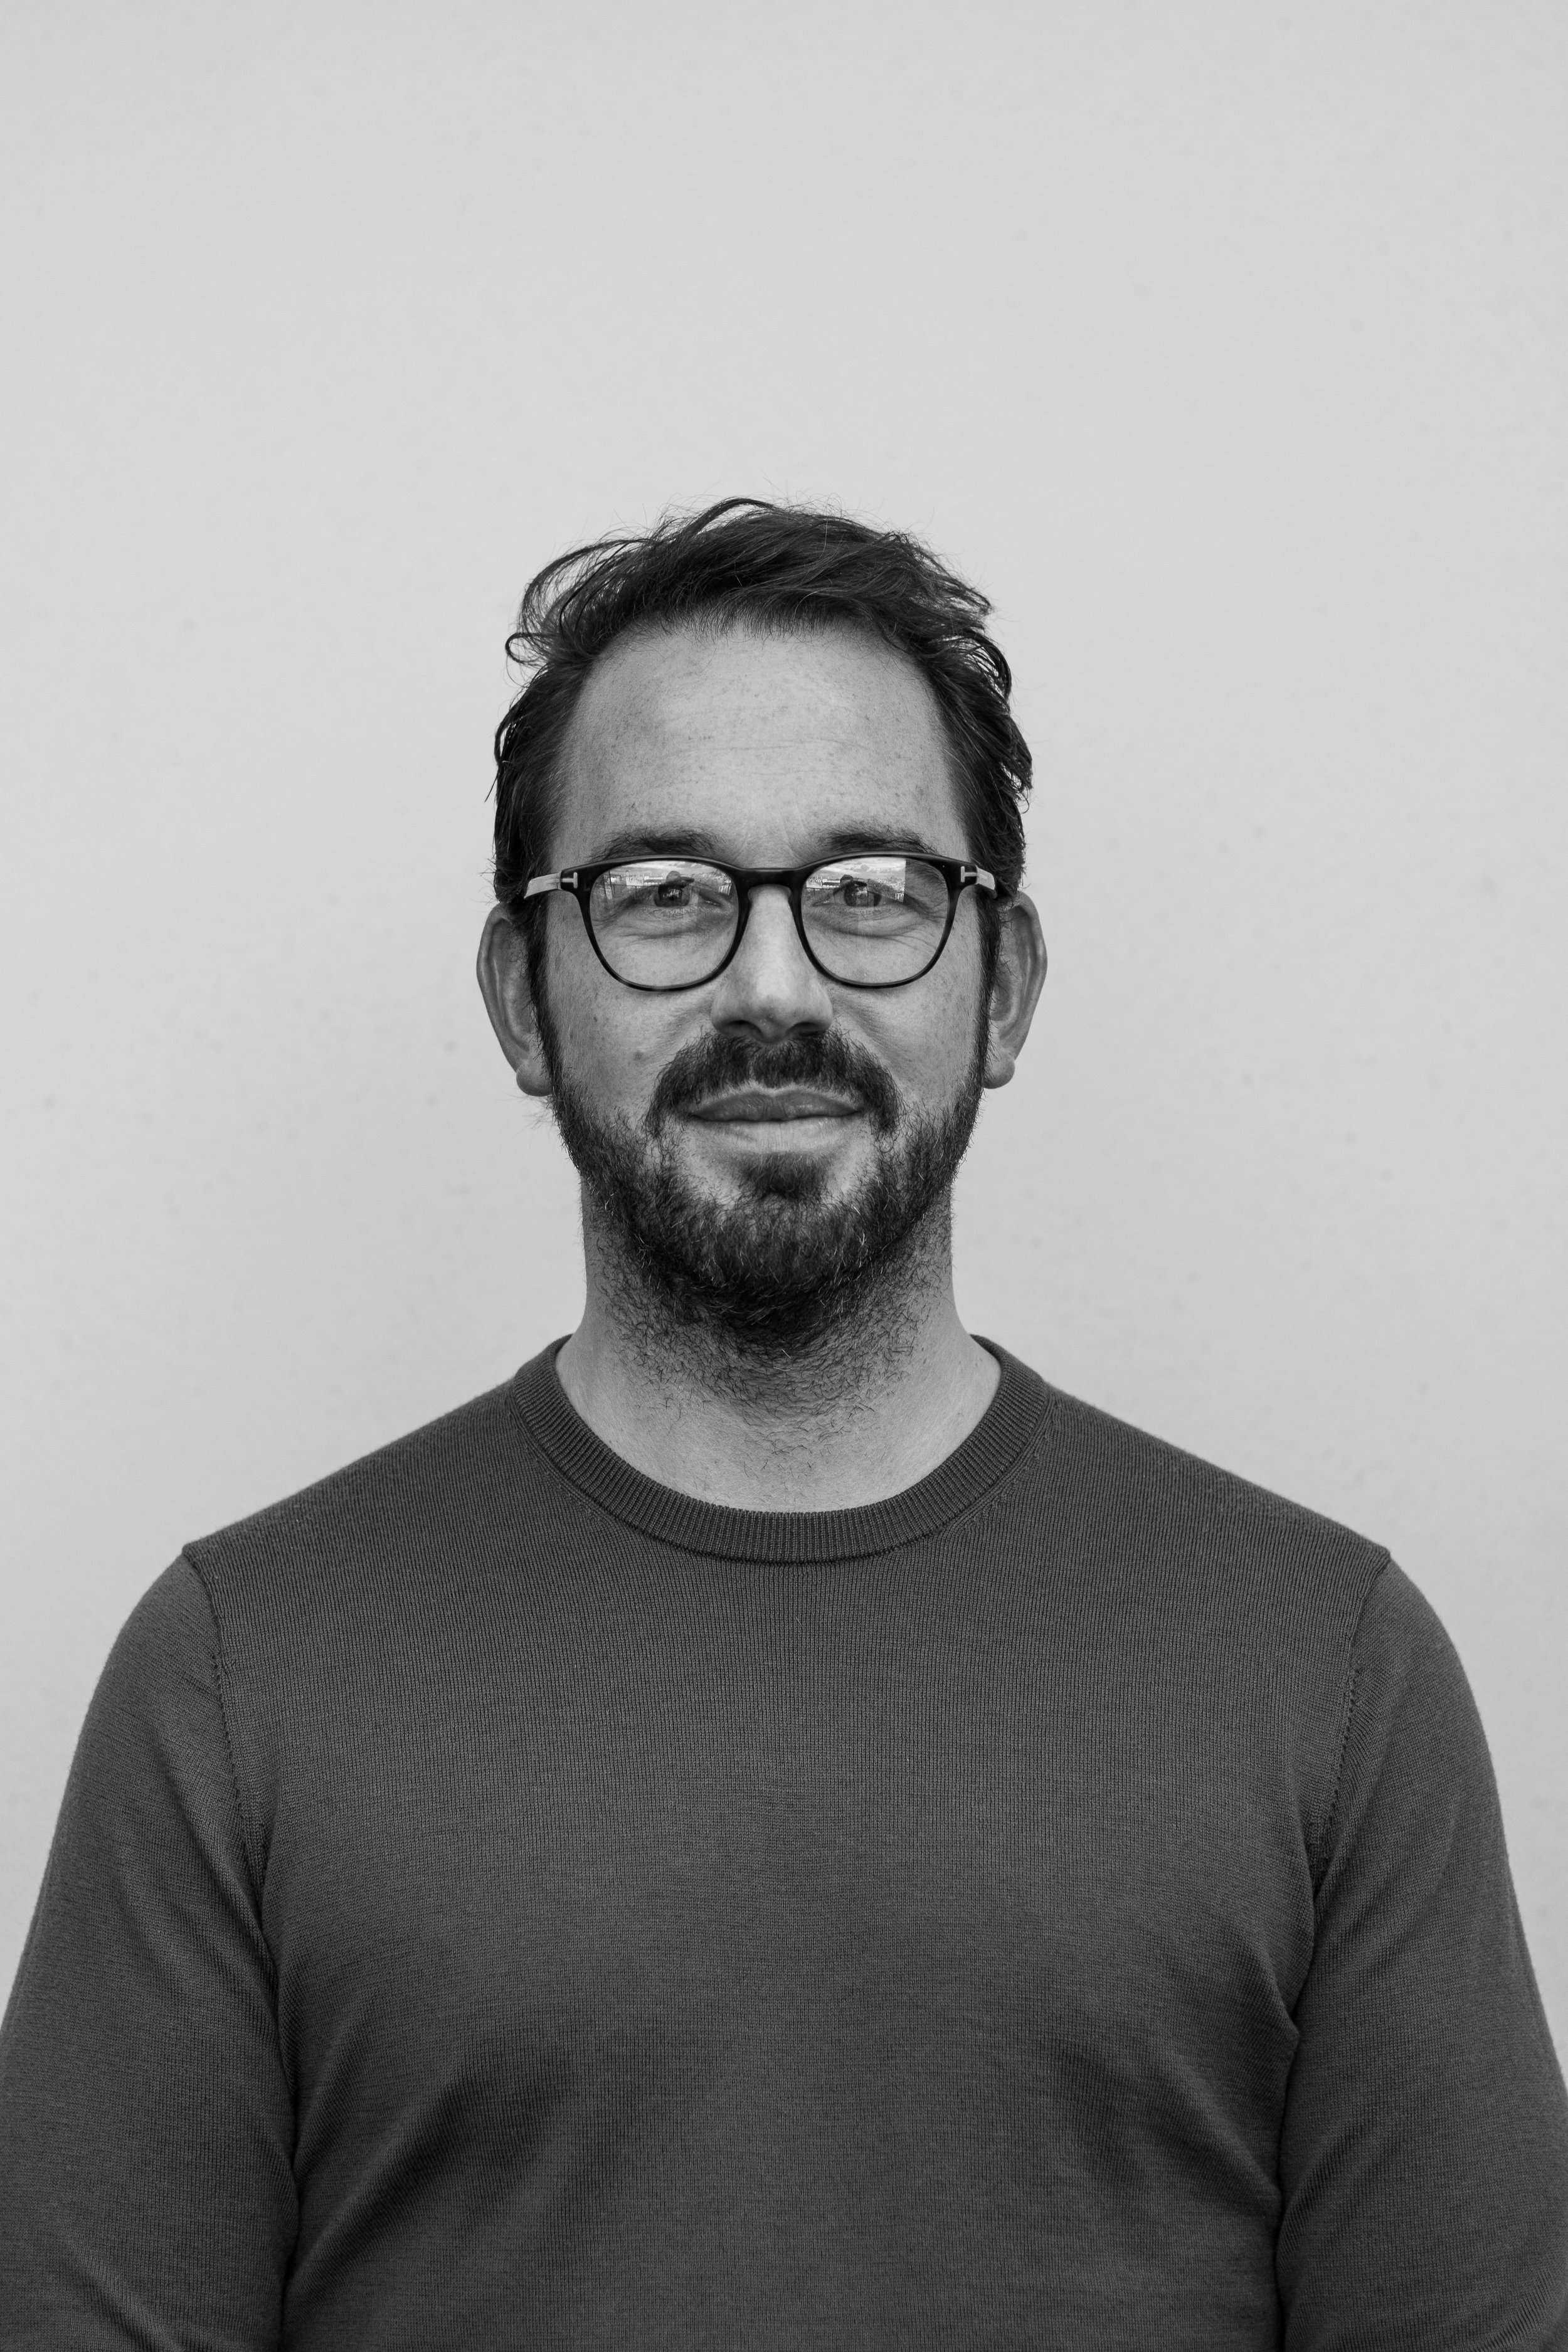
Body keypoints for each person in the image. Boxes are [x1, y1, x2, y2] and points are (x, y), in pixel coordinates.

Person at [1, 499, 1564, 2349]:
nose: (770, 987)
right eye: (663, 894)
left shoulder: (1327, 1670)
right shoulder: (234, 1681)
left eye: (870, 892)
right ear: (523, 995)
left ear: (1007, 988)